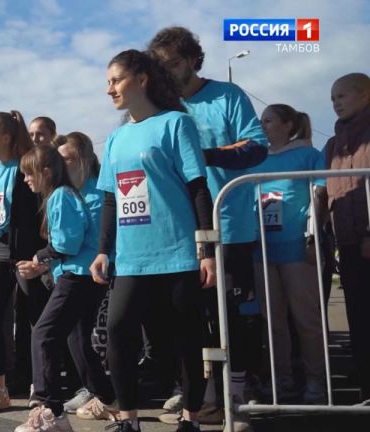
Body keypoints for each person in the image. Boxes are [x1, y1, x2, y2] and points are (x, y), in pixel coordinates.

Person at [90, 49, 215, 432]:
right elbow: (110, 199)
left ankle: (191, 419)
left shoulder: (177, 124)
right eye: (108, 82)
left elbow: (198, 188)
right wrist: (103, 250)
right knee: (118, 331)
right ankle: (129, 420)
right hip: (131, 258)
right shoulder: (115, 138)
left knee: (186, 339)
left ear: (142, 79)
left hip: (178, 253)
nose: (109, 89)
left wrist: (207, 250)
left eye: (116, 80)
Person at [149, 28, 268, 429]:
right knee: (187, 319)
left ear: (192, 60)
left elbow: (257, 147)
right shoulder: (160, 108)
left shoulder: (227, 96)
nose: (167, 72)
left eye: (174, 63)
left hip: (228, 226)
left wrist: (202, 156)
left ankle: (237, 397)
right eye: (161, 66)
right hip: (179, 233)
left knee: (231, 317)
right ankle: (201, 397)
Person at [13, 144, 117, 432]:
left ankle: (51, 411)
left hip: (78, 276)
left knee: (43, 334)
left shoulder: (59, 195)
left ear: (46, 172)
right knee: (78, 341)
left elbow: (67, 244)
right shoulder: (65, 194)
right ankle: (108, 398)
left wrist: (39, 257)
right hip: (83, 275)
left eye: (29, 173)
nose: (26, 179)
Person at [0, 110, 49, 414]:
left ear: (5, 137)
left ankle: (40, 388)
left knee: (35, 320)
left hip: (28, 253)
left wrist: (43, 256)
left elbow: (43, 210)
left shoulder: (27, 166)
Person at [251, 104, 327, 403]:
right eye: (261, 121)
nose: (263, 126)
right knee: (273, 323)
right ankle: (280, 380)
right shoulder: (257, 158)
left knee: (306, 320)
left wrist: (313, 238)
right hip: (262, 251)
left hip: (297, 249)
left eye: (268, 120)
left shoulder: (309, 154)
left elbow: (320, 195)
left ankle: (316, 382)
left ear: (288, 125)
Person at [53, 132, 115, 417]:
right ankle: (98, 391)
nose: (62, 165)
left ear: (85, 159)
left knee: (75, 337)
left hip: (89, 273)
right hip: (70, 270)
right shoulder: (68, 190)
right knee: (75, 337)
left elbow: (77, 240)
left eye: (67, 158)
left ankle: (105, 395)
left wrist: (45, 255)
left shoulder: (98, 192)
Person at [321, 72, 370, 405]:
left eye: (342, 96)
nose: (336, 103)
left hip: (367, 236)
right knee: (359, 317)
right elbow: (327, 191)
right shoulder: (332, 144)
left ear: (365, 95)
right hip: (348, 242)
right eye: (332, 98)